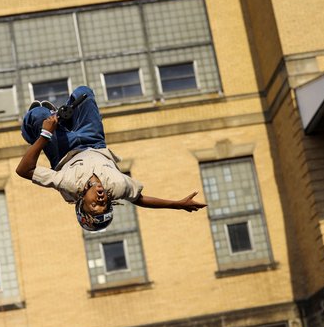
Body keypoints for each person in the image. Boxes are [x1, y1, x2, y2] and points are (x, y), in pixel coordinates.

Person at [16, 86, 206, 231]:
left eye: (94, 204)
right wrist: (177, 205)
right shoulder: (118, 186)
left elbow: (23, 170)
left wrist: (45, 135)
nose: (101, 198)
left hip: (63, 150)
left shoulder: (68, 185)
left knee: (38, 115)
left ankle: (31, 129)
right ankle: (65, 119)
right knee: (84, 93)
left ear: (81, 202)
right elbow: (139, 199)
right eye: (105, 203)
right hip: (94, 140)